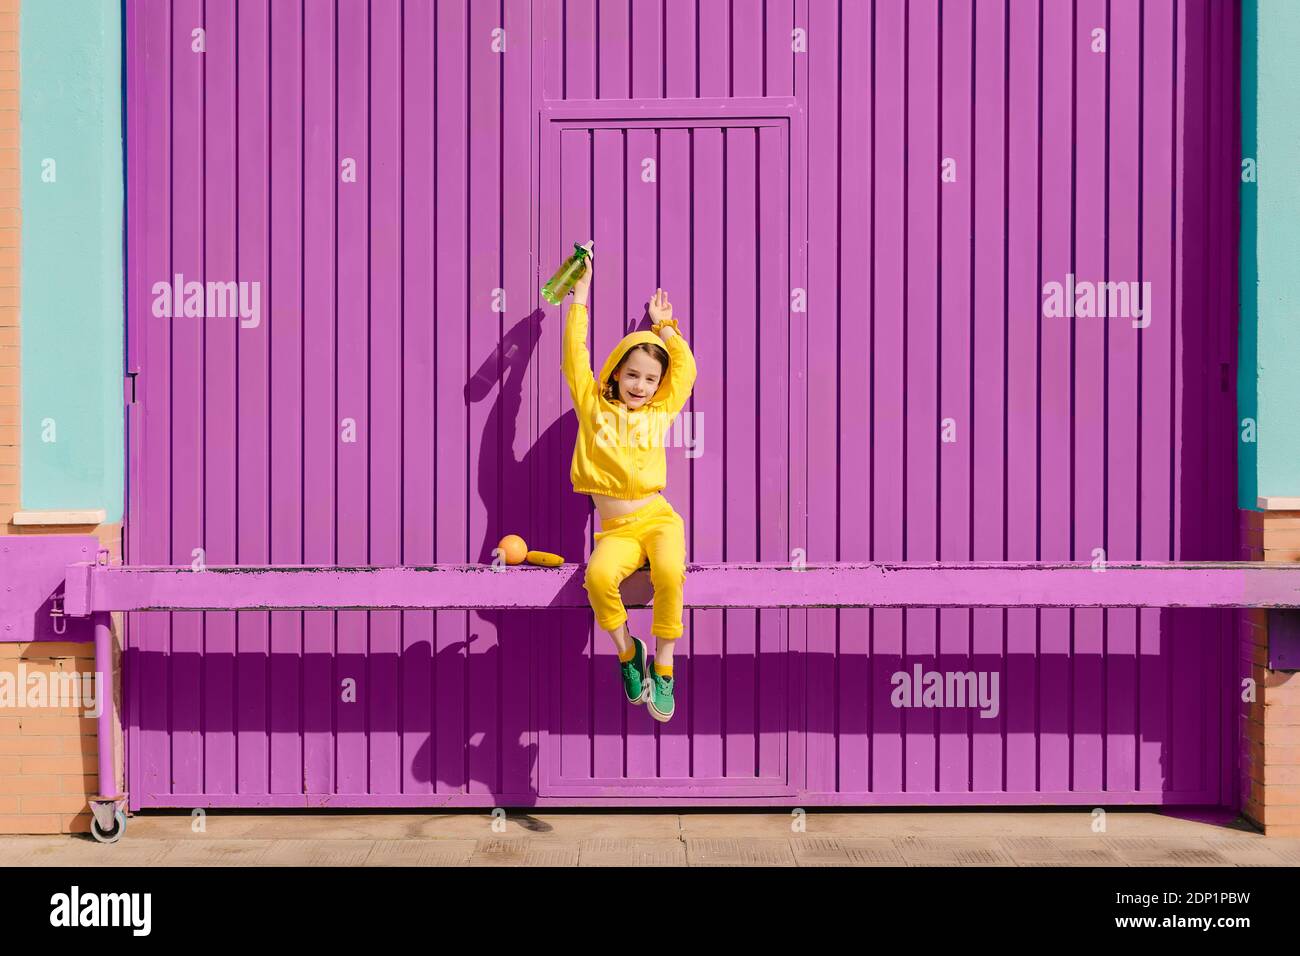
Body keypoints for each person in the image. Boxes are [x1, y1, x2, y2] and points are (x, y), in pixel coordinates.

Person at [560, 247, 697, 722]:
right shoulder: (593, 409)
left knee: (669, 574)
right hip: (617, 532)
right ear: (616, 373)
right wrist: (581, 293)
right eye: (632, 374)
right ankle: (627, 654)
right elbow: (575, 358)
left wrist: (665, 329)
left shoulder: (659, 413)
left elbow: (687, 373)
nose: (641, 384)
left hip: (657, 521)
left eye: (649, 378)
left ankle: (663, 664)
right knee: (597, 579)